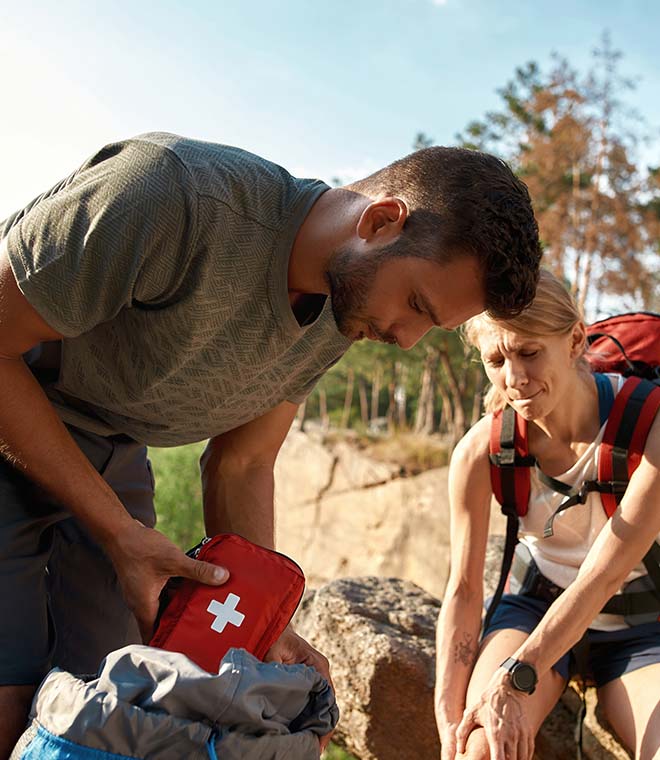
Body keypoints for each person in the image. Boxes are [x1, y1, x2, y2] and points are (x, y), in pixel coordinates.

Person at [0, 131, 542, 756]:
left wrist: (262, 623)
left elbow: (243, 462)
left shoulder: (344, 308)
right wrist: (119, 533)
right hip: (13, 400)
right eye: (416, 304)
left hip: (110, 447)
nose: (407, 338)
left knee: (107, 708)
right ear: (381, 220)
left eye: (431, 325)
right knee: (10, 697)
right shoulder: (173, 195)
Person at [434, 269, 660, 760]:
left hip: (641, 624)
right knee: (481, 750)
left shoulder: (651, 426)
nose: (514, 380)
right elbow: (465, 589)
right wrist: (450, 719)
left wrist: (516, 676)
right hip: (534, 610)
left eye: (530, 353)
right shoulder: (482, 450)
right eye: (496, 360)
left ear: (576, 339)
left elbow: (602, 578)